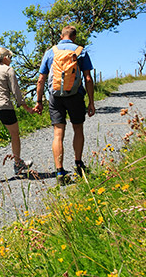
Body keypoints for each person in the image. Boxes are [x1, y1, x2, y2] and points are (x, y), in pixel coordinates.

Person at [34, 25, 95, 185]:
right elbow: (88, 78)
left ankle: (60, 172)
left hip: (55, 97)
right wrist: (91, 103)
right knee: (78, 129)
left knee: (58, 134)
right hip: (76, 96)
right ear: (73, 37)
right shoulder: (80, 51)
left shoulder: (50, 52)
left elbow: (41, 79)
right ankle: (78, 165)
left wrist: (39, 101)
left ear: (61, 36)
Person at [0, 47, 35, 184]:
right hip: (4, 106)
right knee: (14, 134)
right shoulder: (8, 70)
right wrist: (26, 107)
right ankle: (17, 163)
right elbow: (16, 92)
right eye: (10, 57)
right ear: (5, 58)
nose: (11, 60)